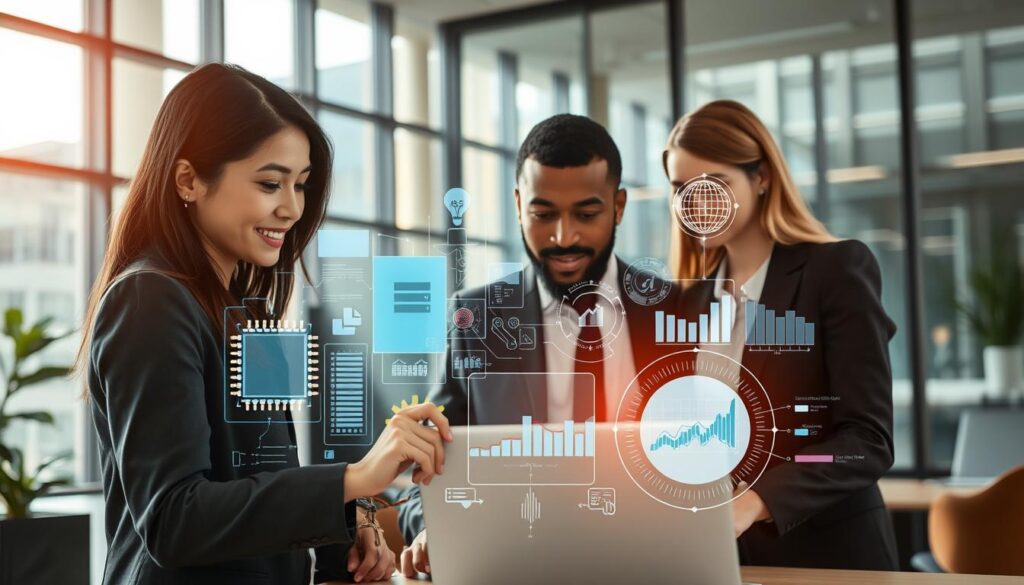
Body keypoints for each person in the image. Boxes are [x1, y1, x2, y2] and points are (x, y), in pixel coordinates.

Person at [76, 63, 451, 585]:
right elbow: (174, 519)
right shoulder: (149, 300)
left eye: (301, 185)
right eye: (270, 183)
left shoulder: (250, 310)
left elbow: (265, 476)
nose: (292, 208)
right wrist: (354, 477)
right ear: (189, 179)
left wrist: (351, 516)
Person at [397, 114, 680, 577]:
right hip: (518, 569)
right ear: (517, 205)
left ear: (619, 207)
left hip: (657, 566)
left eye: (587, 215)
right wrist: (434, 529)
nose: (563, 237)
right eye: (543, 214)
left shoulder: (677, 312)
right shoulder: (477, 319)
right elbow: (424, 472)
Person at [665, 99, 898, 570]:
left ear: (762, 177)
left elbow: (866, 440)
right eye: (681, 188)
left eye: (715, 185)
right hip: (727, 561)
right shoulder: (688, 302)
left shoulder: (834, 271)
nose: (697, 205)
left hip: (831, 559)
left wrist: (756, 501)